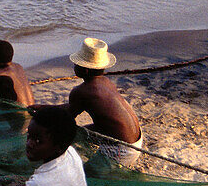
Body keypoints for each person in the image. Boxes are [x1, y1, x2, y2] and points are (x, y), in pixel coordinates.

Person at [53, 37, 142, 168]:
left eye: (77, 64)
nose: (74, 66)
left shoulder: (82, 91)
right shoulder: (107, 83)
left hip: (123, 149)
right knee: (79, 134)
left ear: (86, 70)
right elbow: (71, 108)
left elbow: (67, 116)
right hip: (136, 141)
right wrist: (44, 108)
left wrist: (42, 111)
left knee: (86, 175)